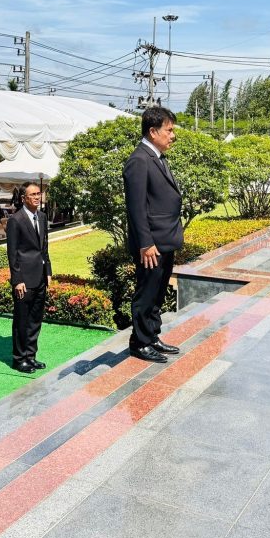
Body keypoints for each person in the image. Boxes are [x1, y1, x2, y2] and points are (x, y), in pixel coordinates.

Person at [123, 107, 183, 363]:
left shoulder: (157, 157)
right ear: (152, 131)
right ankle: (139, 342)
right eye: (169, 130)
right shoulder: (139, 160)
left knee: (158, 292)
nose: (173, 136)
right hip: (151, 244)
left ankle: (152, 335)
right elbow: (136, 208)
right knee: (146, 293)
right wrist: (145, 243)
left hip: (164, 240)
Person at [5, 182, 51, 373]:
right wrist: (17, 280)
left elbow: (44, 247)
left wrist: (48, 271)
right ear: (23, 198)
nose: (37, 197)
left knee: (35, 320)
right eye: (32, 194)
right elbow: (12, 253)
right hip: (24, 279)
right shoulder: (15, 220)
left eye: (38, 193)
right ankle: (19, 359)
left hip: (40, 276)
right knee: (22, 321)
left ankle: (31, 356)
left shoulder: (42, 217)